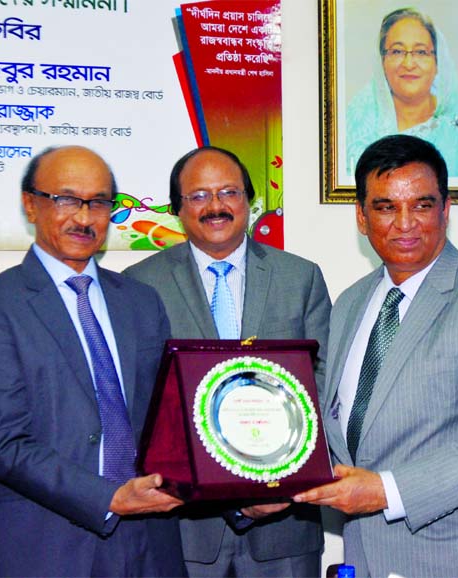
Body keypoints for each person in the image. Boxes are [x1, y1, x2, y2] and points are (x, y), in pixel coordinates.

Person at [293, 134, 458, 578]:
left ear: (447, 210)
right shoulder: (352, 303)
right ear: (361, 215)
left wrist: (383, 491)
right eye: (386, 206)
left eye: (422, 205)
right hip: (370, 555)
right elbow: (336, 425)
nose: (405, 223)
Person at [0, 146, 185, 577]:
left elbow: (169, 419)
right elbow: (6, 443)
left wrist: (232, 487)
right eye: (65, 199)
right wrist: (108, 497)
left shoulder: (141, 301)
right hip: (40, 546)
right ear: (31, 204)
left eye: (99, 202)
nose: (83, 218)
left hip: (148, 546)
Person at [124, 145, 331, 578]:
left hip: (284, 524)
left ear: (250, 202)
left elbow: (323, 385)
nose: (215, 206)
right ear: (178, 210)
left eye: (229, 192)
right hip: (183, 528)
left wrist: (286, 482)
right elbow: (139, 400)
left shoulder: (300, 277)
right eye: (198, 196)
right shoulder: (140, 285)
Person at [346, 8, 458, 177]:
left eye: (421, 52)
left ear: (438, 62)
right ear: (382, 61)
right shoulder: (354, 123)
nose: (409, 63)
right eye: (397, 51)